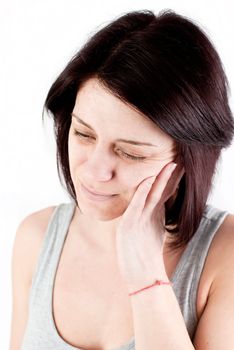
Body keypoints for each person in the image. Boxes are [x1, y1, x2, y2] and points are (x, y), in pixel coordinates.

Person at [9, 9, 234, 350]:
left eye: (131, 153)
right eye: (83, 134)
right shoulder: (36, 238)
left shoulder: (224, 256)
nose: (95, 171)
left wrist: (147, 277)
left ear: (189, 159)